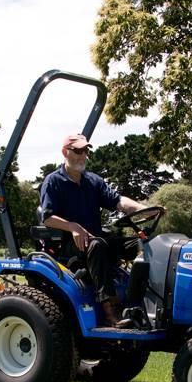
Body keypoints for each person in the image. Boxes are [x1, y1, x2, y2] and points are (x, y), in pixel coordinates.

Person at [39, 133, 148, 327]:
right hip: (69, 245)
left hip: (96, 240)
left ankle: (146, 299)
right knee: (97, 244)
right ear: (65, 152)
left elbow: (118, 201)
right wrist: (72, 226)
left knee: (140, 243)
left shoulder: (93, 181)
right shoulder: (53, 181)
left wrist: (143, 209)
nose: (83, 156)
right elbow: (47, 217)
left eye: (85, 151)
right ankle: (109, 309)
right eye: (78, 151)